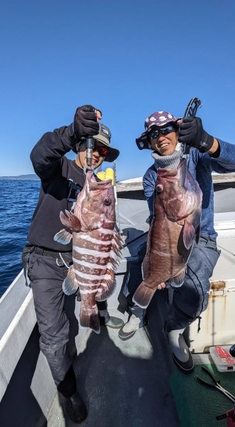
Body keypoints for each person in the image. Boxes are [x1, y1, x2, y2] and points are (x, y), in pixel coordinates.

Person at [22, 105, 124, 424]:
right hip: (44, 262)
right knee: (54, 336)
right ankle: (68, 390)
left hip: (76, 261)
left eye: (102, 151)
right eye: (90, 146)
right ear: (79, 146)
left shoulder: (97, 186)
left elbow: (105, 232)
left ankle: (94, 317)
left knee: (76, 321)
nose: (95, 154)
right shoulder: (59, 167)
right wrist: (72, 132)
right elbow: (40, 155)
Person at [118, 110, 235, 374]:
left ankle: (174, 328)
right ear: (149, 141)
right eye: (153, 134)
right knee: (139, 260)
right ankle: (137, 311)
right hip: (168, 232)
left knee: (195, 284)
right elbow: (158, 215)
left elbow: (233, 161)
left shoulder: (196, 155)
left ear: (177, 131)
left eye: (166, 130)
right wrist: (159, 261)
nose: (160, 138)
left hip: (201, 236)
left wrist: (207, 141)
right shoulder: (152, 176)